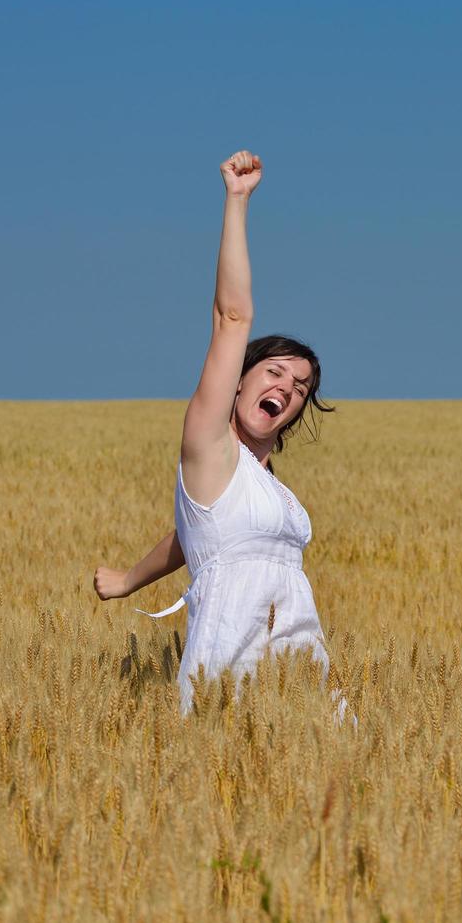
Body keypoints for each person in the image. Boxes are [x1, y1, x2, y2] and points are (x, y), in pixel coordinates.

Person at [92, 151, 340, 716]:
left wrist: (131, 577)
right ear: (237, 381)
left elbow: (198, 530)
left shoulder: (263, 481)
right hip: (229, 669)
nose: (290, 387)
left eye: (302, 387)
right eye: (275, 371)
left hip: (302, 668)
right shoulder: (208, 442)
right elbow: (232, 318)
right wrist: (237, 200)